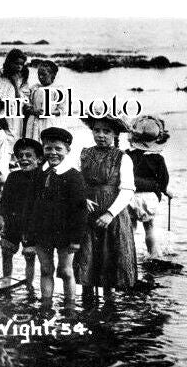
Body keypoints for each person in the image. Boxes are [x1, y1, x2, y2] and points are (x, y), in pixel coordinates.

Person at [75, 114, 137, 303]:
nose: (101, 135)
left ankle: (109, 307)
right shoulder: (84, 154)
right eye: (97, 130)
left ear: (115, 134)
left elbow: (127, 190)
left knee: (110, 262)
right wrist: (82, 198)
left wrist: (110, 214)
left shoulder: (122, 158)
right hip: (88, 214)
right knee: (87, 260)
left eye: (106, 131)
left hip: (113, 216)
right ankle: (87, 305)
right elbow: (75, 182)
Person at [28, 127, 87, 309]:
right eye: (48, 148)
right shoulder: (38, 173)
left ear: (67, 150)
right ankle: (46, 305)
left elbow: (80, 210)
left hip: (65, 233)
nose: (53, 153)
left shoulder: (74, 176)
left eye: (58, 149)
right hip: (42, 232)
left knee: (66, 271)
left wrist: (76, 239)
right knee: (46, 269)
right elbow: (30, 206)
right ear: (43, 150)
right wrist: (29, 236)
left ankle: (70, 306)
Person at [0, 138, 43, 285]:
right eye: (20, 156)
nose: (24, 159)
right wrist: (2, 218)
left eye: (29, 155)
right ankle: (6, 282)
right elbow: (4, 200)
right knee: (6, 252)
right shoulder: (13, 176)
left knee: (30, 256)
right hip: (13, 221)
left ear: (39, 159)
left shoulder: (42, 177)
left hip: (32, 223)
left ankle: (29, 285)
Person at [127, 115, 170, 258]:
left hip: (131, 196)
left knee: (131, 228)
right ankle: (153, 254)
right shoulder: (157, 158)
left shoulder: (127, 155)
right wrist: (164, 190)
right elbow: (163, 179)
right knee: (149, 228)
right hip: (149, 198)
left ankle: (129, 256)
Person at [0, 49, 30, 145]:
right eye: (16, 63)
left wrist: (15, 84)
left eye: (21, 64)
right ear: (9, 62)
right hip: (0, 109)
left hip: (15, 112)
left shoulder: (22, 77)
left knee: (14, 136)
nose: (19, 66)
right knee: (0, 135)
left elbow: (24, 96)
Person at [24, 60, 65, 141]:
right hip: (34, 121)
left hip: (49, 122)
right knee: (33, 142)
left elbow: (62, 110)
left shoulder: (59, 89)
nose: (40, 77)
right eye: (39, 74)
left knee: (47, 141)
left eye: (44, 75)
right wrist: (33, 110)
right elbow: (27, 104)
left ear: (53, 75)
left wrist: (48, 112)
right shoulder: (34, 88)